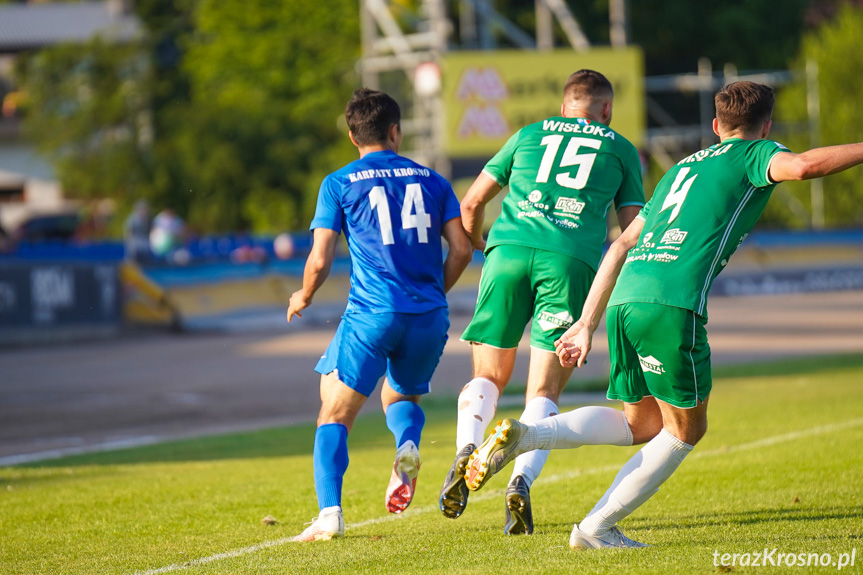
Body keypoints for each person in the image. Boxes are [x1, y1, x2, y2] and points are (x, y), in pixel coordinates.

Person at [462, 80, 863, 548]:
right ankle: (595, 529)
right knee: (686, 429)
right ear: (766, 126)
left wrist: (586, 323)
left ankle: (528, 434)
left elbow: (622, 244)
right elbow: (804, 166)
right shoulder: (755, 153)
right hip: (671, 304)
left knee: (642, 425)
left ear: (715, 126)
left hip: (624, 299)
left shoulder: (680, 169)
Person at [439, 69, 645, 535]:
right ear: (606, 110)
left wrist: (485, 249)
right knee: (544, 393)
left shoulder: (528, 135)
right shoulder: (620, 148)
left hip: (507, 252)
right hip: (569, 261)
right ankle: (519, 482)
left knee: (487, 375)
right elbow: (633, 231)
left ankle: (466, 450)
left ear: (564, 105)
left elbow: (470, 203)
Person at [287, 88, 472, 542]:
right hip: (428, 316)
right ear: (396, 130)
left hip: (373, 313)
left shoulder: (339, 183)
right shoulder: (434, 180)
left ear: (353, 136)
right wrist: (431, 293)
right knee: (401, 399)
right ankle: (407, 446)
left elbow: (320, 259)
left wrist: (304, 295)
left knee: (333, 415)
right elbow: (463, 249)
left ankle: (330, 514)